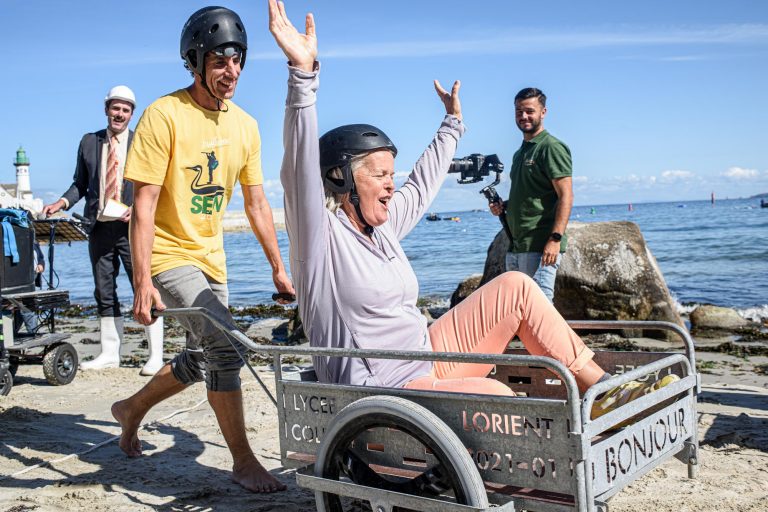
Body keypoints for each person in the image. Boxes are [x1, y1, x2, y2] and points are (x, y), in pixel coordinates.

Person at [269, 0, 676, 415]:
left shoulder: (382, 228)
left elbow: (422, 183)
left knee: (517, 287)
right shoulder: (320, 239)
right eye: (380, 175)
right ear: (341, 179)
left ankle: (604, 392)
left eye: (392, 174)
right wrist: (302, 75)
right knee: (498, 398)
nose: (392, 185)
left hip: (426, 357)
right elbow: (298, 171)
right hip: (382, 392)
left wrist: (451, 125)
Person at [111, 6, 294, 494]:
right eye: (218, 61)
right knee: (227, 346)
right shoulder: (163, 115)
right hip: (168, 255)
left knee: (200, 358)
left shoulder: (246, 126)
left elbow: (256, 202)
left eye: (237, 61)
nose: (230, 71)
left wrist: (278, 268)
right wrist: (143, 282)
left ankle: (130, 409)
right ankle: (244, 461)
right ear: (194, 62)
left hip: (212, 259)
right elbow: (144, 206)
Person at [42, 86, 164, 375]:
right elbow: (80, 184)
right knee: (103, 290)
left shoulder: (142, 141)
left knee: (144, 286)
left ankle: (155, 356)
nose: (119, 114)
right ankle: (110, 354)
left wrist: (138, 209)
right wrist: (61, 202)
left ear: (132, 114)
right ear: (106, 109)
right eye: (115, 108)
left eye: (125, 110)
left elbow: (158, 184)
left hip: (133, 228)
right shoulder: (89, 142)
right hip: (98, 227)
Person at [490, 87, 573, 303]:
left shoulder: (551, 147)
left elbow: (566, 196)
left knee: (540, 309)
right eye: (519, 111)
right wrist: (505, 206)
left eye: (529, 111)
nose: (524, 116)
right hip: (516, 245)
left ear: (543, 112)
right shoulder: (520, 153)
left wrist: (555, 239)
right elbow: (531, 195)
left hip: (540, 246)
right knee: (518, 308)